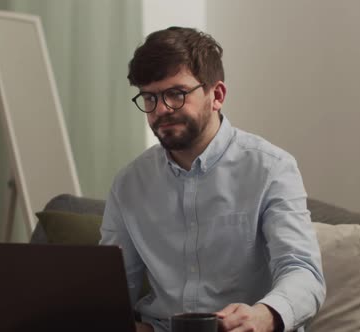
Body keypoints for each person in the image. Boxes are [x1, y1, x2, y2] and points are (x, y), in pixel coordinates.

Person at [100, 27, 325, 332]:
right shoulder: (129, 184)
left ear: (216, 95)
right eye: (150, 98)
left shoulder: (271, 169)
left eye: (176, 94)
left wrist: (265, 315)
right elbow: (112, 290)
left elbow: (303, 272)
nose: (161, 110)